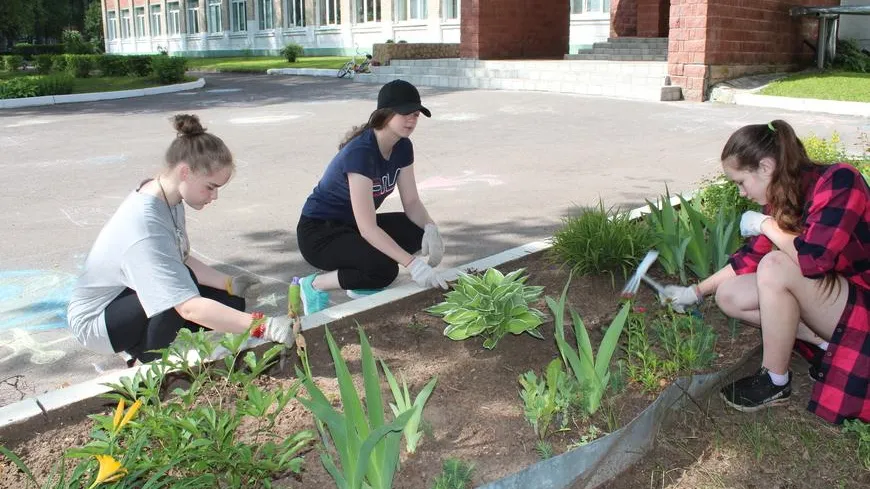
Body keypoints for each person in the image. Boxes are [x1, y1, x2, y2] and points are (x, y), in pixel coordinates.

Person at [660, 120, 869, 424]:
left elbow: (815, 260)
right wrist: (695, 292)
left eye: (740, 182)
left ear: (766, 166)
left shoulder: (839, 182)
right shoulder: (785, 197)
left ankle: (774, 381)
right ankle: (827, 346)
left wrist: (766, 226)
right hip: (836, 305)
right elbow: (748, 259)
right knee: (730, 296)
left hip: (862, 305)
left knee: (775, 266)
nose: (741, 193)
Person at [67, 114, 294, 364]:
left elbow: (179, 258)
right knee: (176, 295)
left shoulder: (168, 197)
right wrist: (265, 327)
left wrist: (229, 283)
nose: (214, 196)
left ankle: (151, 344)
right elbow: (187, 306)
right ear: (185, 172)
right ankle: (145, 359)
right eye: (210, 186)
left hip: (125, 298)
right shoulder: (145, 226)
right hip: (99, 322)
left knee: (230, 301)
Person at [296, 79, 448, 315]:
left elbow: (412, 202)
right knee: (384, 268)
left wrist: (431, 228)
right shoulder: (361, 153)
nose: (412, 119)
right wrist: (412, 264)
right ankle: (314, 285)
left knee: (415, 231)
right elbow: (368, 229)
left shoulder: (403, 147)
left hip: (351, 226)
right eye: (405, 112)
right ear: (385, 114)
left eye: (416, 114)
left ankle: (360, 285)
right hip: (320, 234)